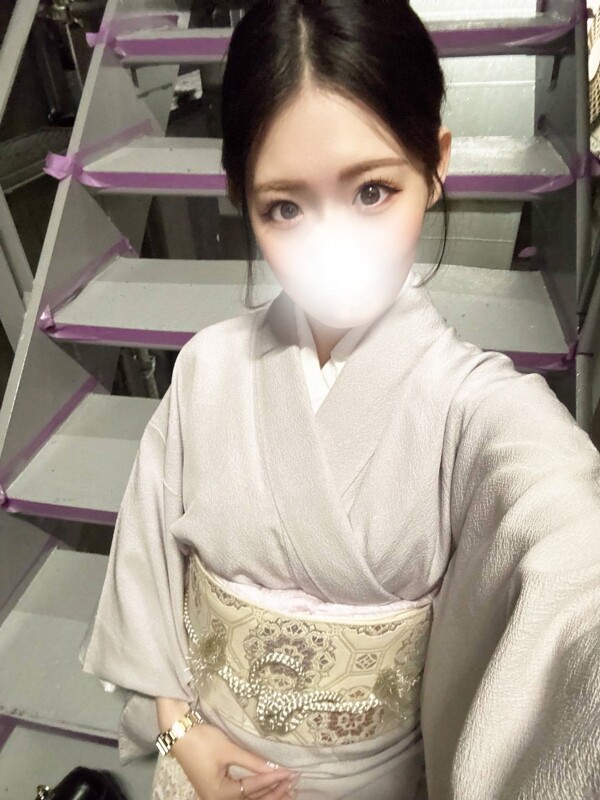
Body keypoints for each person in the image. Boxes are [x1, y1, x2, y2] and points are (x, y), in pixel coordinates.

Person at [79, 1, 600, 798]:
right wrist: (180, 732)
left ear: (436, 165)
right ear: (242, 199)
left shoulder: (478, 410)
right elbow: (148, 576)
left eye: (372, 192)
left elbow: (569, 551)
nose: (334, 250)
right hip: (204, 771)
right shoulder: (207, 371)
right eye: (285, 207)